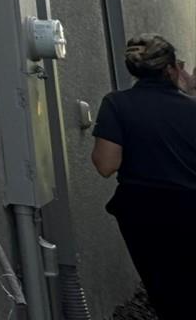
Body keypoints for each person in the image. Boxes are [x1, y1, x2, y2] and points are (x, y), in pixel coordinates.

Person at [90, 33, 196, 319]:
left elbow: (106, 165)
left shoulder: (117, 104)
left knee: (165, 290)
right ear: (171, 69)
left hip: (142, 212)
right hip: (190, 207)